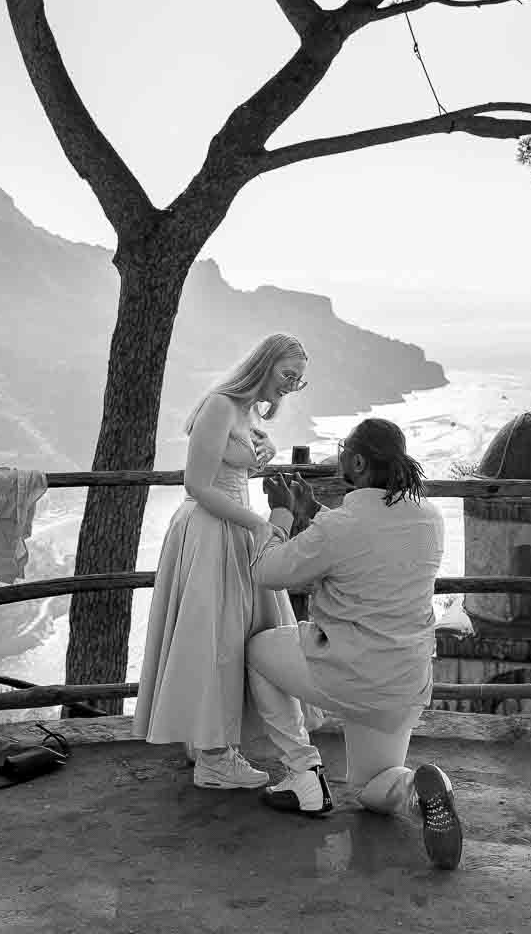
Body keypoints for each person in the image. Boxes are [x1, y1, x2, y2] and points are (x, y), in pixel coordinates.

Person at [245, 418, 463, 871]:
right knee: (371, 789)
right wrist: (317, 517)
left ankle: (303, 770)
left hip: (346, 677)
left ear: (359, 462)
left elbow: (267, 573)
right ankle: (422, 786)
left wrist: (284, 514)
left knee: (258, 650)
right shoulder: (430, 518)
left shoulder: (340, 528)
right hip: (403, 686)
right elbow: (367, 542)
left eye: (345, 450)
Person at [132, 333, 309, 790]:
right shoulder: (220, 405)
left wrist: (261, 452)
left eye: (298, 381)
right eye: (287, 375)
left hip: (232, 527)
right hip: (213, 529)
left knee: (230, 636)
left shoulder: (244, 411)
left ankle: (212, 744)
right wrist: (257, 523)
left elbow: (232, 462)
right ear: (265, 365)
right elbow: (197, 483)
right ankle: (213, 759)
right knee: (215, 638)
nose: (291, 386)